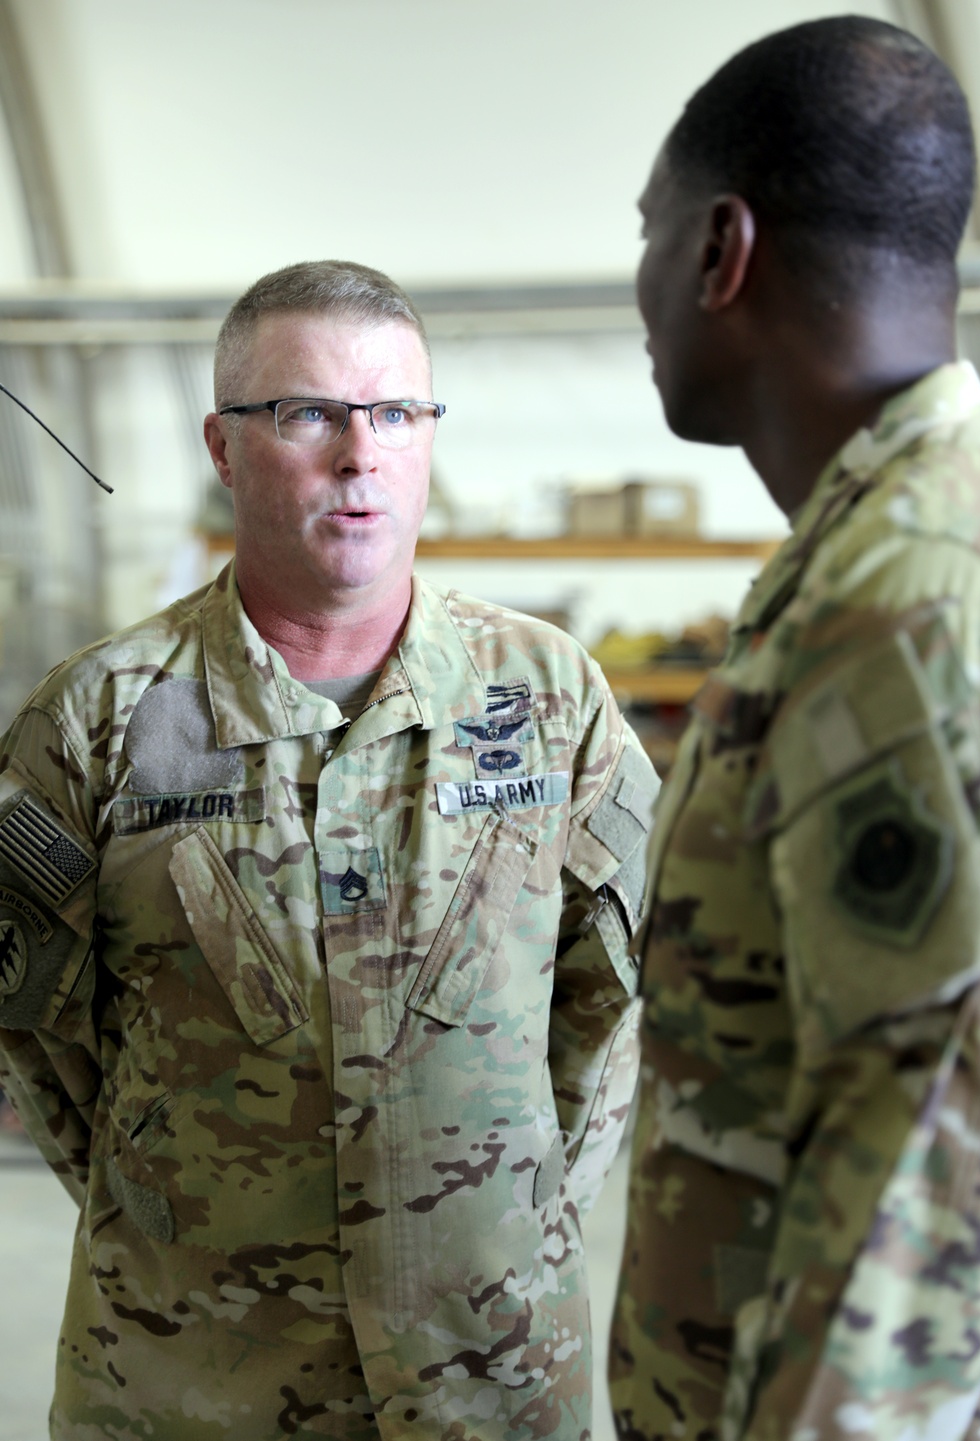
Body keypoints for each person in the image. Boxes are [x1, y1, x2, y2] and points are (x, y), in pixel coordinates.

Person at [0, 259, 657, 1440]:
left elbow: (614, 995)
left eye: (397, 413)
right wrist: (184, 1203)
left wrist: (510, 1215)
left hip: (490, 1378)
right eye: (308, 413)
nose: (362, 455)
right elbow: (40, 1041)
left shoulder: (549, 696)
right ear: (223, 444)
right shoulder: (94, 719)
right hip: (189, 1383)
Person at [610, 16, 980, 1441]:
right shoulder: (875, 549)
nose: (635, 285)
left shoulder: (907, 599)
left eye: (648, 236)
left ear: (722, 250)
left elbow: (926, 1191)